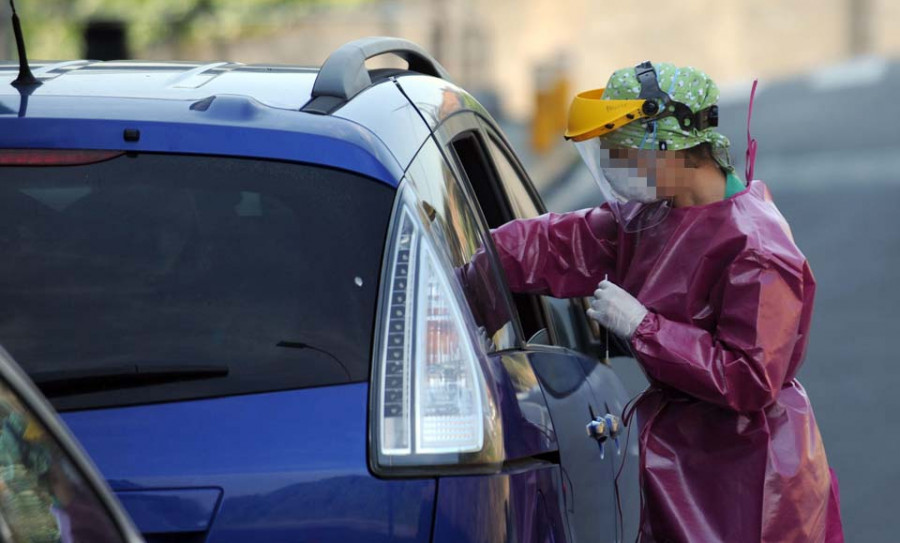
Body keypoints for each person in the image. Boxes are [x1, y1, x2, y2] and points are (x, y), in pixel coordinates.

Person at [487, 62, 844, 542]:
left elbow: (750, 378)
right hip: (683, 462)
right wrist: (462, 259)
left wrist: (642, 327)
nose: (615, 168)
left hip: (754, 476)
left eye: (622, 152)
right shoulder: (654, 215)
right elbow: (558, 244)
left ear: (671, 146)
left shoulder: (757, 247)